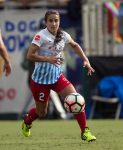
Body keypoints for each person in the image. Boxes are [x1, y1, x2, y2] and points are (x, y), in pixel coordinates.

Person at [21, 10, 96, 142]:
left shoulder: (63, 35)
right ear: (46, 22)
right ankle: (27, 122)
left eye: (56, 20)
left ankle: (85, 131)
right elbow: (29, 55)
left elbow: (75, 45)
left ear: (59, 21)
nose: (53, 23)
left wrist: (85, 60)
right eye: (50, 20)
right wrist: (48, 59)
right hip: (40, 81)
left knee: (76, 98)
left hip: (57, 77)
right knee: (42, 113)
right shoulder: (40, 36)